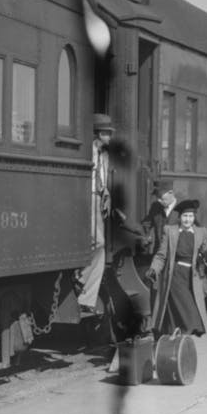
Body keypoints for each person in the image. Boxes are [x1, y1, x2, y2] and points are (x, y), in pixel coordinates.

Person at [145, 199, 207, 337]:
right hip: (175, 275)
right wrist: (154, 269)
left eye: (190, 216)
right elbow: (161, 255)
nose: (188, 220)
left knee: (181, 313)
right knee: (189, 313)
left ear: (194, 217)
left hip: (192, 277)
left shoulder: (201, 233)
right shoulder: (170, 231)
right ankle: (183, 337)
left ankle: (178, 339)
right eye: (185, 216)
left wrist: (205, 253)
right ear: (180, 217)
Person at [78, 113, 114, 316]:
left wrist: (105, 192)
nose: (110, 137)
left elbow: (100, 179)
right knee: (98, 243)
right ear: (99, 134)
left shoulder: (103, 155)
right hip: (87, 199)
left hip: (97, 199)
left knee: (100, 252)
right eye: (108, 133)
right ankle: (80, 278)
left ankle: (86, 298)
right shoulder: (87, 152)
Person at [141, 179, 180, 253]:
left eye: (160, 196)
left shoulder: (183, 208)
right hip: (158, 254)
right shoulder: (155, 206)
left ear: (170, 193)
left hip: (176, 255)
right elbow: (146, 224)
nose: (158, 200)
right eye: (157, 197)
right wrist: (147, 235)